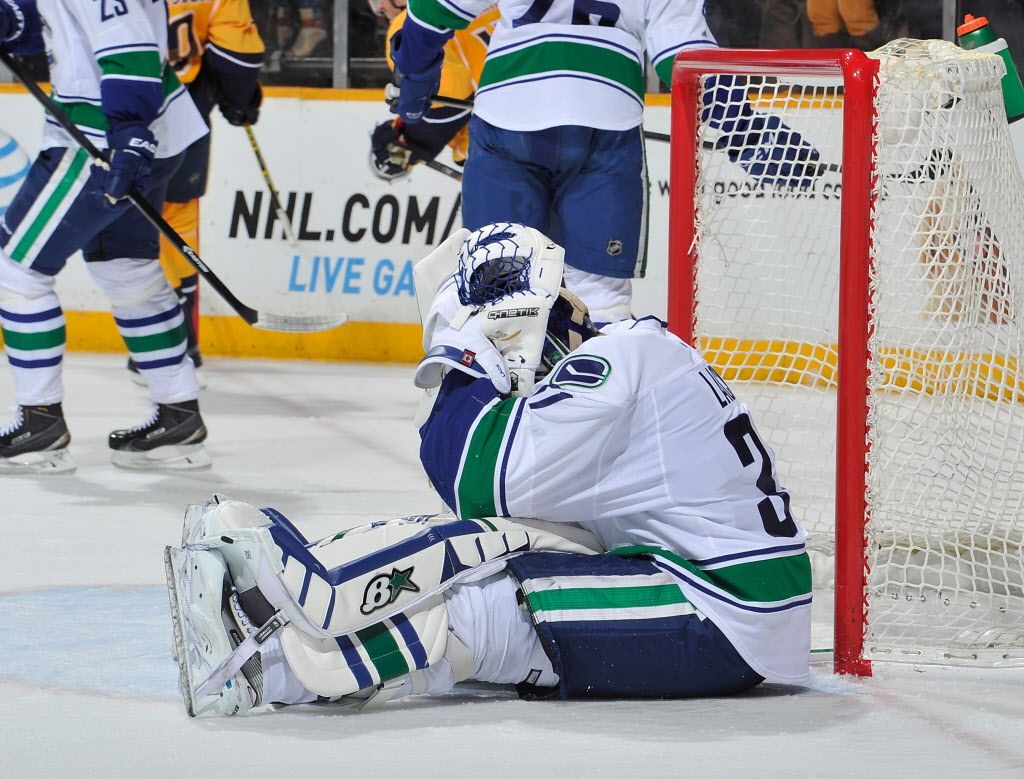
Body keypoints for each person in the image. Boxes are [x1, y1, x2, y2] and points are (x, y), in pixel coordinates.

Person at [165, 224, 811, 716]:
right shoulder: (629, 351)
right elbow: (488, 508)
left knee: (481, 610)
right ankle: (280, 597)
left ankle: (263, 664)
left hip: (722, 612)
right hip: (699, 583)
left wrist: (465, 356)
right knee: (484, 552)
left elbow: (475, 475)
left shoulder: (616, 364)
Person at [387, 0, 723, 324]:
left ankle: (495, 374)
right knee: (600, 300)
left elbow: (432, 11)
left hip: (509, 107)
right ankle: (596, 371)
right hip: (607, 112)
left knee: (497, 287)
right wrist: (748, 133)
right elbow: (686, 57)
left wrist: (415, 82)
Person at [0, 0, 211, 474]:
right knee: (126, 269)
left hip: (101, 137)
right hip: (138, 128)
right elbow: (66, 28)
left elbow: (127, 42)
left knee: (16, 270)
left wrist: (130, 134)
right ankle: (178, 415)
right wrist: (16, 21)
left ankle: (39, 423)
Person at [126, 0, 265, 380]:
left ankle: (152, 338)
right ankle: (183, 338)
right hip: (186, 114)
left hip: (126, 114)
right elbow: (238, 55)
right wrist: (239, 100)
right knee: (178, 223)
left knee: (134, 229)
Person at [369, 0, 497, 182]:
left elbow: (450, 98)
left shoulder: (405, 27)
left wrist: (412, 140)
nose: (380, 8)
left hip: (519, 117)